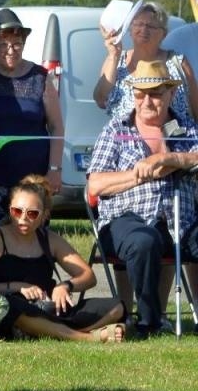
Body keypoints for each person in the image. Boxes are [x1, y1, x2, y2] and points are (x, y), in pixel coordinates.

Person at [85, 59, 198, 338]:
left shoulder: (181, 128)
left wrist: (170, 158)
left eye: (156, 94)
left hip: (180, 219)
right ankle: (149, 323)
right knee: (143, 241)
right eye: (139, 94)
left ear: (171, 94)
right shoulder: (117, 129)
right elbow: (95, 183)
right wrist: (139, 175)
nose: (147, 101)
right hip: (126, 219)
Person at [0, 175, 124, 342]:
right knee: (11, 306)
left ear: (44, 215)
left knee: (117, 307)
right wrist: (17, 287)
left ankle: (50, 332)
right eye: (17, 211)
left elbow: (88, 276)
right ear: (9, 210)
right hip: (12, 311)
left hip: (47, 309)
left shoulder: (49, 239)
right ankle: (85, 338)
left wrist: (65, 286)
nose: (22, 218)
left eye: (32, 214)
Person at [0, 9, 62, 234]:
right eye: (3, 45)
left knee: (33, 246)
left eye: (17, 44)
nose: (11, 50)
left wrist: (55, 169)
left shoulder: (40, 77)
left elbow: (56, 126)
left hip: (32, 182)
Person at [95, 0, 195, 128]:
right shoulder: (117, 60)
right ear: (130, 30)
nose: (144, 29)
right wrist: (113, 55)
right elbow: (100, 100)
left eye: (151, 26)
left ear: (163, 34)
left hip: (173, 142)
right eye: (138, 24)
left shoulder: (178, 62)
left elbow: (195, 107)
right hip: (126, 142)